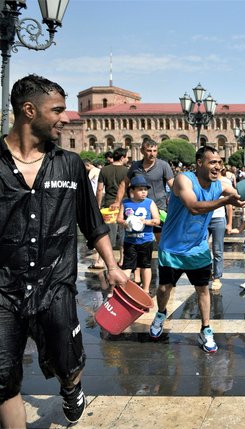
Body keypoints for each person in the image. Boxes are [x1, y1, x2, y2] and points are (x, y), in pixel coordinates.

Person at [0, 74, 128, 426]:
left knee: (67, 362)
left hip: (55, 285)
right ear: (28, 111)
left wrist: (112, 266)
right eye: (57, 110)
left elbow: (91, 221)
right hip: (3, 289)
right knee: (3, 379)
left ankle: (71, 387)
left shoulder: (69, 164)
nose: (66, 118)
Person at [148, 146, 245, 353]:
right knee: (164, 288)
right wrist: (224, 201)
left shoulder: (220, 184)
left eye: (220, 162)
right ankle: (161, 314)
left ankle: (205, 329)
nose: (217, 166)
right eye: (212, 162)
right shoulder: (183, 180)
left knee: (203, 290)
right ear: (199, 163)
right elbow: (193, 207)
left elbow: (242, 195)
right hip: (172, 248)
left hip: (197, 248)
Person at [111, 140, 174, 242]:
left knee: (161, 239)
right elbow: (124, 183)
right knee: (137, 239)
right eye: (149, 150)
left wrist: (179, 201)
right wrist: (117, 201)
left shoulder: (163, 165)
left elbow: (173, 185)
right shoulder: (135, 166)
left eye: (155, 151)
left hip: (158, 208)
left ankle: (163, 258)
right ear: (142, 151)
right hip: (138, 209)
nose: (152, 154)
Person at [116, 175, 161, 293]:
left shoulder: (150, 203)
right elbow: (119, 219)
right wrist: (126, 223)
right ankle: (122, 290)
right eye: (140, 189)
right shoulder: (125, 203)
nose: (143, 192)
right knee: (127, 266)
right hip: (130, 241)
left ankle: (145, 290)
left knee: (145, 265)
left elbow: (157, 220)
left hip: (146, 240)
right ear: (132, 190)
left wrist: (145, 221)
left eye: (145, 189)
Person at [95, 147, 129, 268]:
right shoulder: (126, 171)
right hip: (123, 205)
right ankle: (122, 259)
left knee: (107, 233)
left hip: (108, 205)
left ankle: (101, 260)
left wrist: (97, 205)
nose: (128, 159)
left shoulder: (104, 170)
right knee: (123, 232)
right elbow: (129, 188)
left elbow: (99, 189)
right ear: (122, 157)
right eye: (126, 157)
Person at [208, 165, 233, 292]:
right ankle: (205, 272)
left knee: (217, 249)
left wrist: (229, 223)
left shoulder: (225, 182)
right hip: (204, 218)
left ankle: (217, 277)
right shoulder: (203, 180)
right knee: (201, 247)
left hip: (218, 218)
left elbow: (229, 204)